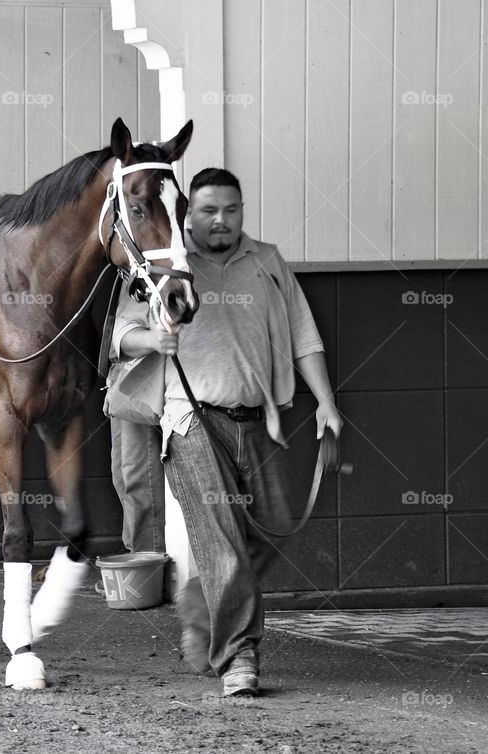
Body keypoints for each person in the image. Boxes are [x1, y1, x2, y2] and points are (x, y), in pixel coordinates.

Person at [113, 167, 342, 696]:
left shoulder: (266, 262)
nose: (221, 220)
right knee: (223, 544)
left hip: (258, 418)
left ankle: (201, 598)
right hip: (190, 419)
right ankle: (239, 657)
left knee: (274, 525)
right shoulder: (165, 264)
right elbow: (119, 337)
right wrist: (152, 340)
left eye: (231, 210)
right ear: (188, 213)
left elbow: (304, 335)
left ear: (242, 211)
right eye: (209, 210)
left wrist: (327, 403)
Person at [108, 285, 166, 554]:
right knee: (123, 474)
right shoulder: (130, 269)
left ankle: (148, 564)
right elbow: (122, 330)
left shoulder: (167, 265)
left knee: (138, 476)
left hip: (150, 374)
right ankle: (139, 557)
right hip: (125, 370)